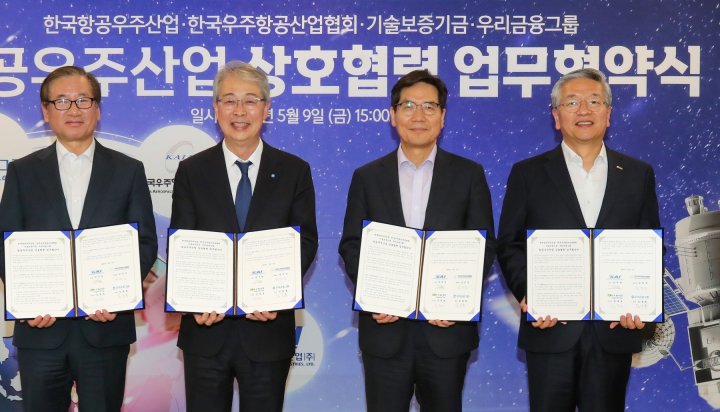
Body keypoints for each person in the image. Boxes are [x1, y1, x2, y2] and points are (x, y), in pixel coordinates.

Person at [0, 65, 158, 411]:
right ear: (45, 111)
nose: (73, 110)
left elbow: (144, 242)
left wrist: (118, 297)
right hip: (42, 331)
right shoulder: (22, 171)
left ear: (97, 109)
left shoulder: (128, 170)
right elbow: (5, 243)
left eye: (83, 100)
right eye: (62, 101)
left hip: (105, 328)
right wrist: (29, 303)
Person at [497, 68, 660, 411]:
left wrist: (641, 304)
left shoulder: (638, 174)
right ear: (557, 117)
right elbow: (510, 243)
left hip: (613, 329)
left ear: (608, 113)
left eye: (594, 101)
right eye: (572, 102)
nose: (583, 110)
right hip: (550, 327)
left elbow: (649, 244)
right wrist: (530, 293)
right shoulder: (527, 173)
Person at [338, 69, 496, 412]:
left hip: (446, 331)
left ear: (442, 116)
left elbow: (482, 246)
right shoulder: (367, 176)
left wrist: (455, 302)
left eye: (429, 106)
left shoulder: (469, 175)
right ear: (393, 115)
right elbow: (352, 245)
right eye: (408, 106)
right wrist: (374, 295)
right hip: (385, 330)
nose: (419, 116)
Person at [169, 60, 318, 412]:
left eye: (251, 100)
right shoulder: (191, 170)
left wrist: (274, 295)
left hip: (267, 330)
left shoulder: (294, 170)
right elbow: (183, 242)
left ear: (266, 108)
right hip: (206, 330)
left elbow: (305, 242)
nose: (240, 111)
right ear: (215, 108)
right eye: (229, 100)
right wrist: (195, 301)